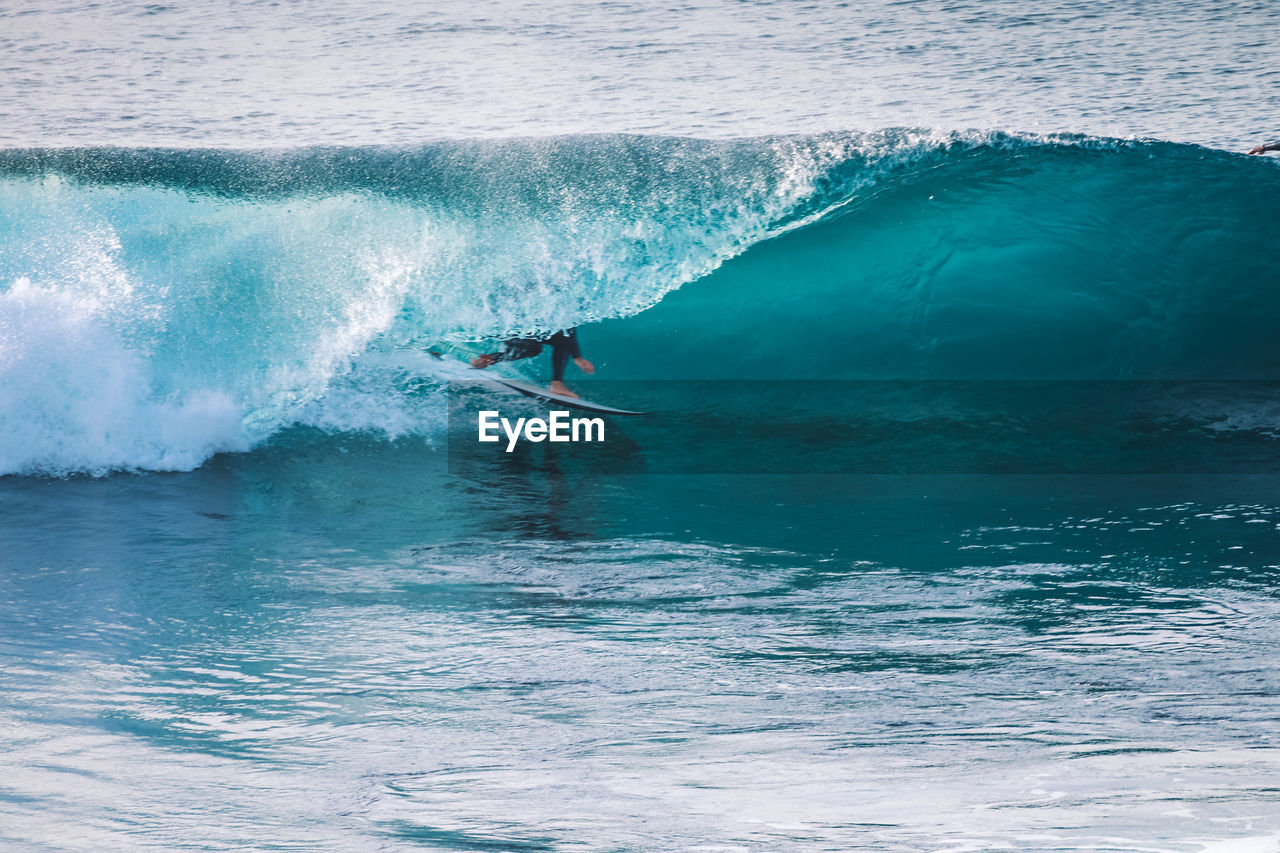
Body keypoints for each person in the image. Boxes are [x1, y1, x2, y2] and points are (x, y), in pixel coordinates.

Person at [471, 327, 595, 397]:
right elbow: (568, 330)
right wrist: (577, 357)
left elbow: (569, 328)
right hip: (510, 325)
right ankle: (557, 384)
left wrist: (577, 357)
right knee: (552, 341)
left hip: (508, 326)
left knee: (535, 347)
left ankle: (488, 359)